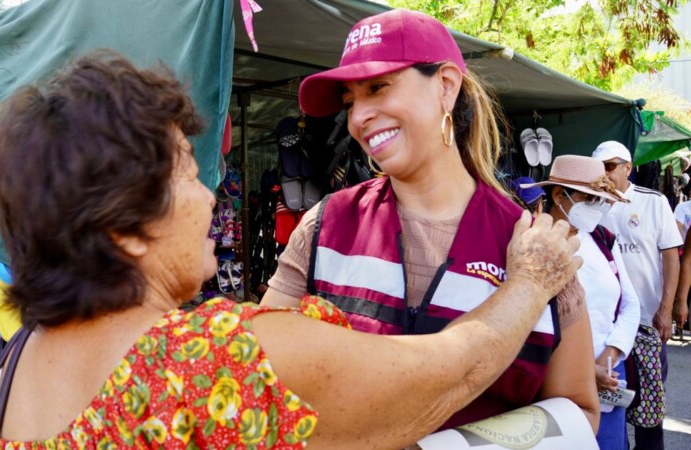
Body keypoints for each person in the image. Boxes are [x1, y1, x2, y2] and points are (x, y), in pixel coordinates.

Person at [0, 52, 583, 449]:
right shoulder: (213, 359)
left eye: (379, 88)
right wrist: (530, 283)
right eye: (188, 175)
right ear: (122, 227)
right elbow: (452, 371)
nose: (209, 197)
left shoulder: (19, 360)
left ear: (447, 88)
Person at [261, 8, 599, 432]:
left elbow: (578, 412)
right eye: (350, 102)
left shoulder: (539, 252)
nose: (358, 117)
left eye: (378, 87)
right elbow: (261, 378)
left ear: (446, 86)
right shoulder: (324, 226)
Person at [523, 155, 639, 450]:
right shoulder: (530, 242)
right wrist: (585, 370)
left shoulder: (602, 239)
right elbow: (528, 321)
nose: (596, 207)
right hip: (552, 388)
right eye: (588, 199)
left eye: (600, 200)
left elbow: (630, 304)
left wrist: (611, 352)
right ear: (558, 195)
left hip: (609, 381)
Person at [592, 140, 683, 450]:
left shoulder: (653, 202)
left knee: (649, 407)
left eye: (609, 166)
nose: (604, 174)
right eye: (599, 167)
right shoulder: (590, 202)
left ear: (628, 168)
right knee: (609, 401)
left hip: (646, 324)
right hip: (606, 328)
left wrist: (666, 309)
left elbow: (671, 257)